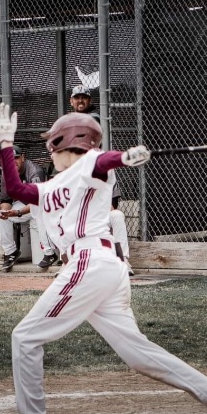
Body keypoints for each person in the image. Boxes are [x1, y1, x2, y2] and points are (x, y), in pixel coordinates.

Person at [0, 104, 207, 414]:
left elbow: (102, 161)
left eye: (52, 144)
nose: (48, 151)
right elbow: (16, 189)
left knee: (25, 338)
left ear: (67, 142)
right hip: (102, 267)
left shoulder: (89, 165)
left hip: (90, 261)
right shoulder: (54, 185)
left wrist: (124, 157)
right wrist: (6, 142)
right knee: (136, 353)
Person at [69, 84, 133, 274]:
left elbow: (113, 204)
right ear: (71, 101)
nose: (80, 101)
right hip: (81, 215)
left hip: (99, 214)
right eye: (77, 98)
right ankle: (68, 264)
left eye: (84, 98)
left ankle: (124, 261)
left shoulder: (104, 166)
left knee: (118, 216)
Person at [0, 145, 55, 272]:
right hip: (26, 206)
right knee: (2, 212)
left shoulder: (34, 171)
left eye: (16, 158)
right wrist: (6, 212)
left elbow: (38, 201)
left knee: (38, 208)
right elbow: (6, 200)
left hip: (50, 207)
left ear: (22, 158)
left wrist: (17, 212)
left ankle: (49, 253)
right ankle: (11, 252)